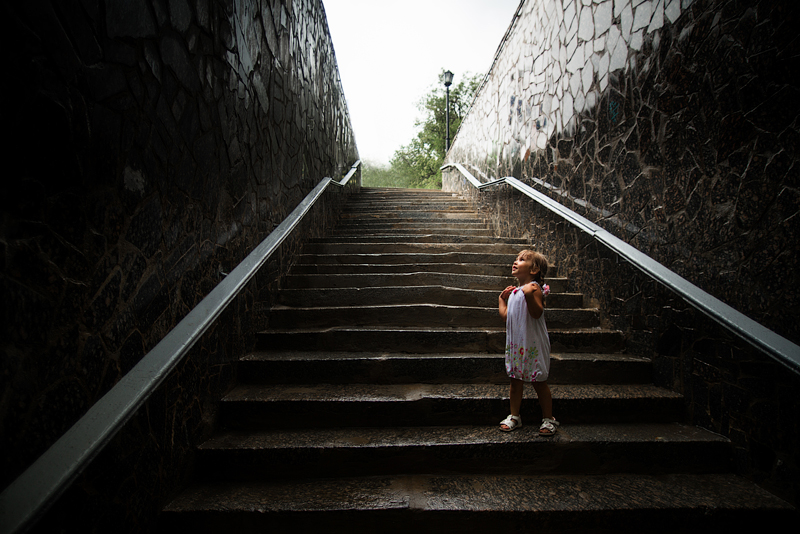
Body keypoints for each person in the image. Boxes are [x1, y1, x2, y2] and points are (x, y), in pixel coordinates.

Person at [497, 250, 558, 436]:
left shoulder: (533, 288)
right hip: (517, 345)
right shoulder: (515, 292)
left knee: (539, 381)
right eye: (516, 258)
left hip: (533, 345)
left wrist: (530, 295)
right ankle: (515, 416)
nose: (516, 261)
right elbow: (506, 316)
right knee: (515, 381)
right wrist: (501, 300)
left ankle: (549, 418)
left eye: (522, 259)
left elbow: (537, 313)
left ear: (534, 270)